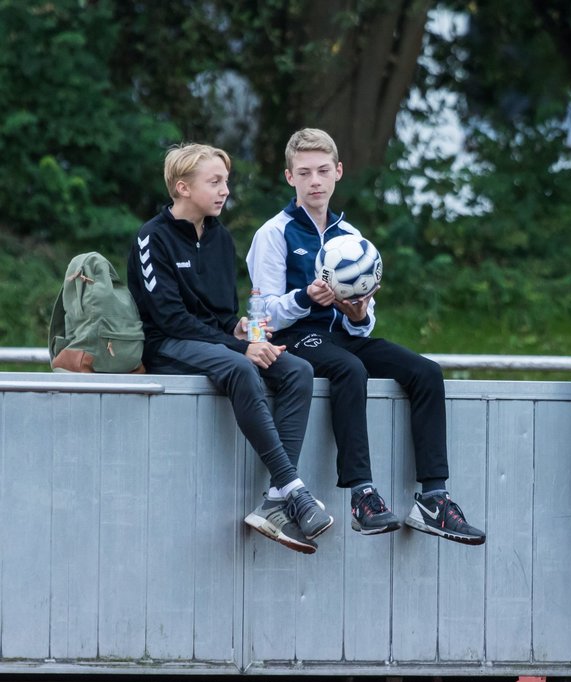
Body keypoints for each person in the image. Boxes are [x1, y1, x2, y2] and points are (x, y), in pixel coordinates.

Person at [246, 128, 484, 544]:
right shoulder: (274, 233)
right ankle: (362, 494)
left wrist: (357, 315)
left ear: (338, 172)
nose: (315, 181)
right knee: (349, 369)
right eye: (305, 173)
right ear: (289, 178)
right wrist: (305, 297)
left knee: (426, 371)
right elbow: (265, 315)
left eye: (323, 171)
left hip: (343, 337)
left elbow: (365, 319)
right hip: (299, 337)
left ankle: (434, 498)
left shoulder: (352, 238)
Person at [127, 143, 333, 554]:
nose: (225, 191)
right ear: (182, 188)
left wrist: (244, 331)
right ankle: (293, 487)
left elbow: (222, 313)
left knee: (297, 370)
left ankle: (274, 500)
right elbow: (170, 321)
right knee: (242, 368)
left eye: (226, 181)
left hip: (211, 342)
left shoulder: (220, 238)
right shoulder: (151, 238)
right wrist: (240, 350)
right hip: (167, 346)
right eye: (215, 182)